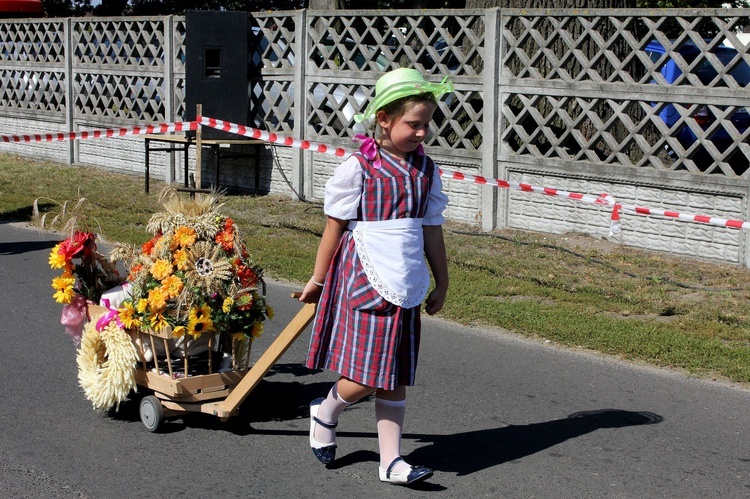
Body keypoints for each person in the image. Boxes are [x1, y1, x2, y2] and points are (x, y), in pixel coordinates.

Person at [298, 67, 453, 486]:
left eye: (426, 125)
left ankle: (391, 461)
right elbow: (334, 227)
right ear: (384, 119)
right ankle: (327, 409)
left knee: (396, 371)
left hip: (405, 279)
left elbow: (431, 228)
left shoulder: (427, 170)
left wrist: (442, 280)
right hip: (364, 274)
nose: (422, 133)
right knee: (369, 372)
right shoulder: (358, 167)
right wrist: (317, 278)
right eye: (413, 124)